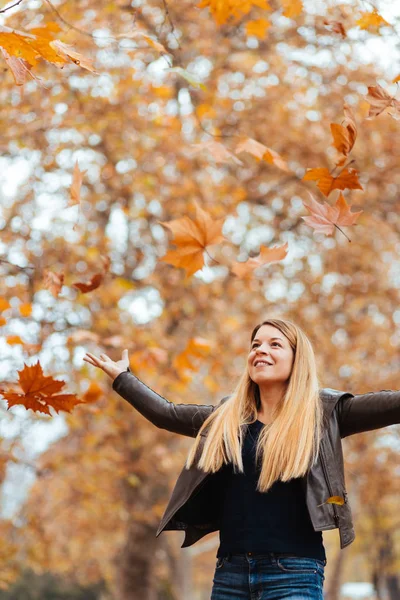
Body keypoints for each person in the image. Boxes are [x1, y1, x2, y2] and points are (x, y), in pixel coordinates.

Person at [83, 318, 400, 599]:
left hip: (294, 573)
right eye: (255, 345)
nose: (260, 350)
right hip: (230, 574)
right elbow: (166, 414)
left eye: (275, 344)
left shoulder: (324, 413)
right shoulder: (227, 419)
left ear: (297, 358)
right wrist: (122, 377)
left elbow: (389, 405)